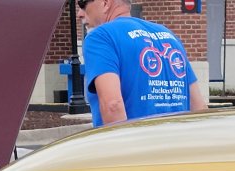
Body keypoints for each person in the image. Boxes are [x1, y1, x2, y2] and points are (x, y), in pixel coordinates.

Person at [76, 0, 208, 127]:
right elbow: (198, 107)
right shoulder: (168, 36)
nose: (79, 13)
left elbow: (113, 105)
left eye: (83, 4)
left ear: (105, 3)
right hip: (176, 145)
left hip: (138, 146)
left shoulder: (101, 37)